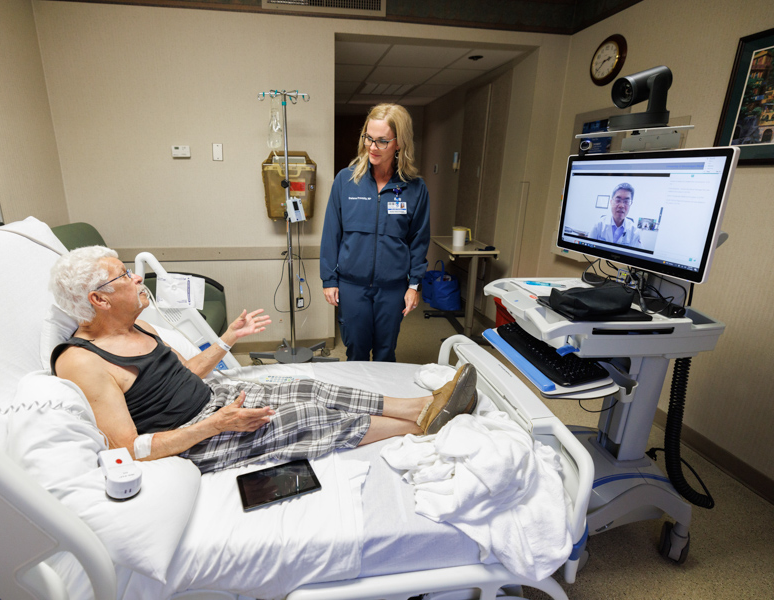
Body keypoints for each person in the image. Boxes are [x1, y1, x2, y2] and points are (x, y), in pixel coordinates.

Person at [48, 246, 476, 474]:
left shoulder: (141, 328)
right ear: (98, 299)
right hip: (193, 438)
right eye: (123, 275)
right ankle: (423, 425)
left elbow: (184, 375)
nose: (136, 276)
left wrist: (227, 340)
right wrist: (214, 424)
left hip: (214, 397)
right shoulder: (81, 361)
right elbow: (129, 449)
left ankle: (417, 406)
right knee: (305, 415)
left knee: (307, 383)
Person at [320, 103, 430, 362]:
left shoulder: (415, 188)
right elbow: (331, 234)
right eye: (368, 138)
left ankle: (384, 402)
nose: (372, 147)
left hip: (392, 288)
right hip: (352, 286)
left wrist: (414, 284)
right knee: (356, 350)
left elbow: (419, 239)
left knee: (385, 353)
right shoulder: (346, 181)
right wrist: (329, 279)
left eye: (382, 141)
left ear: (399, 143)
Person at [589, 182, 642, 248]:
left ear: (630, 204)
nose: (621, 206)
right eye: (618, 200)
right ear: (611, 202)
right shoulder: (598, 225)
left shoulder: (634, 231)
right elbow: (588, 249)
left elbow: (637, 256)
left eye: (626, 202)